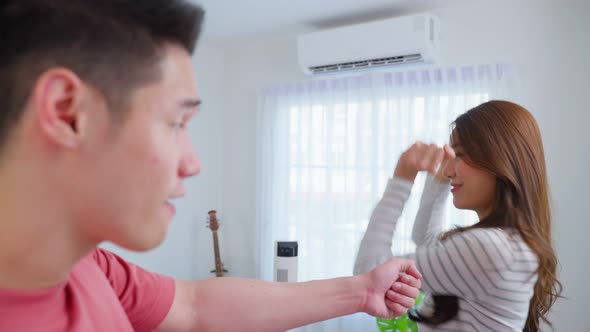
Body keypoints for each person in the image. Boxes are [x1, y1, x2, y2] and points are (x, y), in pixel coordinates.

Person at [0, 1, 423, 331]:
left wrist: (361, 290)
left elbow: (193, 306)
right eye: (176, 123)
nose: (193, 163)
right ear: (68, 112)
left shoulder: (86, 267)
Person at [354, 100, 562, 331]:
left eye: (460, 155)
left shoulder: (494, 248)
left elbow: (370, 276)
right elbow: (426, 239)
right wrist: (440, 180)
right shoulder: (509, 245)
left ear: (501, 158)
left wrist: (402, 177)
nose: (450, 170)